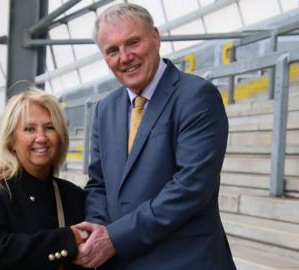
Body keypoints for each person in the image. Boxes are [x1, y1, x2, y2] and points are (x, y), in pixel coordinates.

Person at [73, 3, 236, 270]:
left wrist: (115, 238)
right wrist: (98, 234)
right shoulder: (105, 108)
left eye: (133, 42)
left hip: (185, 261)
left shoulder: (196, 96)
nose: (125, 57)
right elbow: (98, 185)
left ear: (156, 38)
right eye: (112, 50)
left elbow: (190, 187)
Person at [0, 89, 89, 270]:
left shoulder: (73, 196)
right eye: (29, 129)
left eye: (50, 127)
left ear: (60, 137)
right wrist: (67, 240)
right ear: (11, 140)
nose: (41, 138)